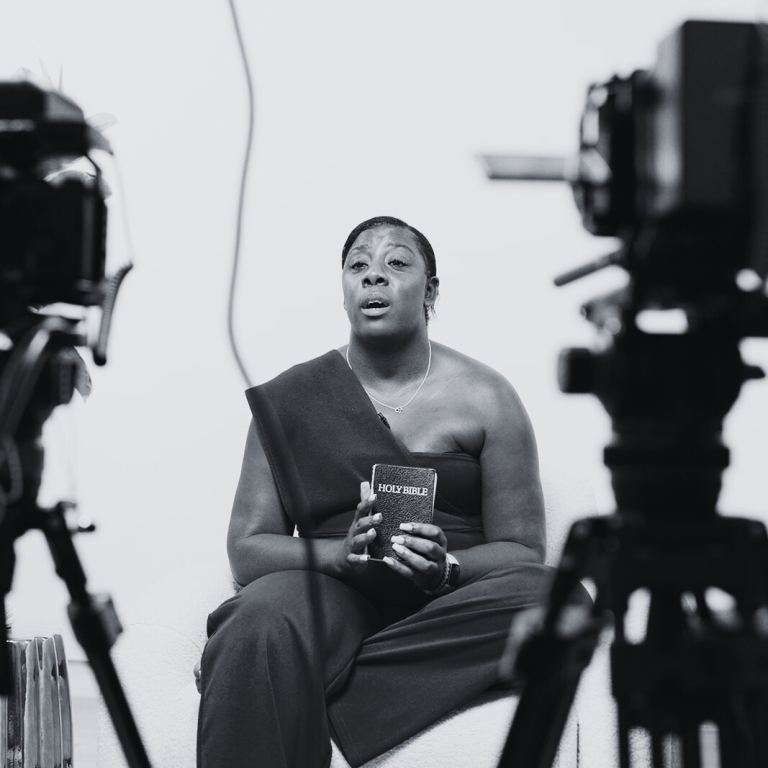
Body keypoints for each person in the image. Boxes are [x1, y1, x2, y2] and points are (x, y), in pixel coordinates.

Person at [197, 215, 562, 768]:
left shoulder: (487, 396)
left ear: (430, 291)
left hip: (450, 605)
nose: (374, 277)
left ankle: (302, 692)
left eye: (396, 263)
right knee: (257, 621)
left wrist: (447, 569)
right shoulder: (292, 397)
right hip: (328, 590)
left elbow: (523, 550)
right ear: (343, 290)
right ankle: (271, 662)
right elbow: (247, 548)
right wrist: (339, 558)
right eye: (358, 266)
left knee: (553, 598)